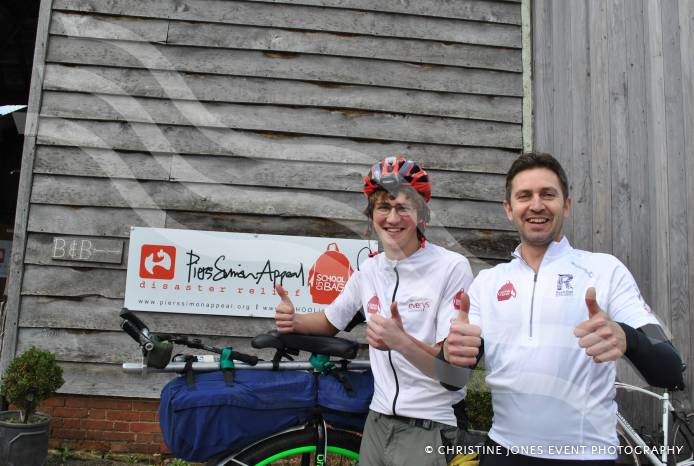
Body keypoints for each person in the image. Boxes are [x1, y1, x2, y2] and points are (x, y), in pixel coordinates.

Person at [444, 152, 684, 465]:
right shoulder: (488, 283)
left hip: (586, 457)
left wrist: (628, 338)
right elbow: (449, 380)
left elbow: (670, 370)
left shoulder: (604, 270)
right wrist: (449, 353)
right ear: (509, 209)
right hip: (502, 452)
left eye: (548, 194)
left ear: (566, 205)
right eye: (524, 196)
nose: (537, 205)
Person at [275, 156, 474, 466]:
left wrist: (401, 341)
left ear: (421, 216)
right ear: (372, 215)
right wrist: (295, 319)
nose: (392, 218)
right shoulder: (369, 270)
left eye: (403, 208)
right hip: (378, 423)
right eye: (383, 207)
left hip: (431, 426)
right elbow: (329, 321)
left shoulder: (451, 268)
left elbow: (451, 372)